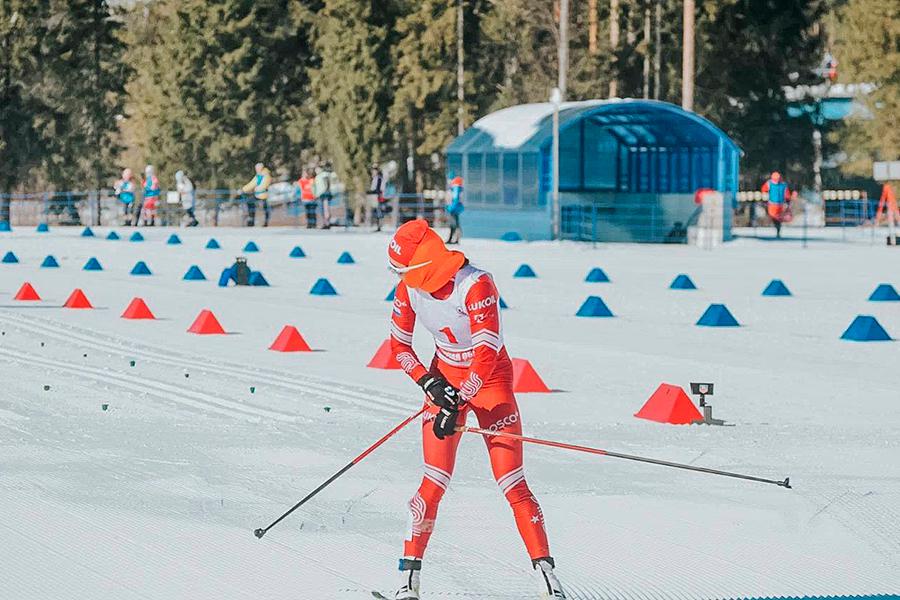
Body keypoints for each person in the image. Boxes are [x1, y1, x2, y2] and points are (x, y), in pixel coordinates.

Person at [386, 219, 566, 600]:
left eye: (404, 270)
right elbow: (398, 346)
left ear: (426, 263)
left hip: (491, 384)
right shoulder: (409, 289)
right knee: (433, 481)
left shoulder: (476, 284)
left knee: (512, 483)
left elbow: (486, 354)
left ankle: (549, 581)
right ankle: (407, 583)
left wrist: (461, 399)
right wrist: (428, 382)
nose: (401, 278)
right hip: (444, 378)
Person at [761, 171, 791, 238]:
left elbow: (787, 193)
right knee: (773, 216)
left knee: (779, 217)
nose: (777, 180)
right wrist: (765, 198)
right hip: (772, 204)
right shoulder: (769, 184)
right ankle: (777, 226)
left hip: (781, 204)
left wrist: (788, 200)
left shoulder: (783, 185)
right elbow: (763, 190)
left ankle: (778, 228)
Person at [241, 162, 272, 227]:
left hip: (262, 195)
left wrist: (244, 189)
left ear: (260, 168)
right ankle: (252, 220)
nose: (256, 170)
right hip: (258, 195)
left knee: (261, 207)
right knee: (250, 203)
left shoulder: (264, 175)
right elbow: (252, 183)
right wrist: (244, 189)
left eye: (257, 168)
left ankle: (261, 222)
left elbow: (258, 185)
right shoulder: (259, 175)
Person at [314, 162, 334, 229]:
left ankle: (327, 223)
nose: (316, 171)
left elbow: (327, 181)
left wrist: (327, 189)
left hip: (324, 193)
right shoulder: (317, 176)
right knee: (322, 209)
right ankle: (325, 223)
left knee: (326, 209)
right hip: (320, 194)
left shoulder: (324, 174)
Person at [446, 172, 464, 244]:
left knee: (454, 224)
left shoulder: (455, 187)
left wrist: (450, 207)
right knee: (455, 223)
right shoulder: (458, 187)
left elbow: (455, 198)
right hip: (456, 208)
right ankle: (454, 238)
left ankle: (454, 239)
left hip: (454, 208)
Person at [369, 166, 386, 232]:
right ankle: (378, 226)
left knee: (379, 211)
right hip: (375, 196)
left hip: (378, 196)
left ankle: (379, 226)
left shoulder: (379, 178)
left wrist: (375, 192)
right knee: (377, 211)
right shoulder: (375, 178)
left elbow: (379, 189)